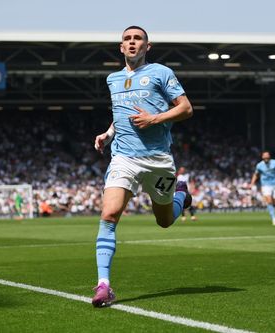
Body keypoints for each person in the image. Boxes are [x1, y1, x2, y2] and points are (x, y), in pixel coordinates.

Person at [91, 26, 193, 307]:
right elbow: (120, 116)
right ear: (121, 47)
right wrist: (108, 134)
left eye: (138, 39)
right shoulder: (112, 79)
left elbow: (186, 108)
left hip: (158, 159)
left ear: (148, 46)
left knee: (164, 221)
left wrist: (155, 119)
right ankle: (103, 285)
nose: (132, 43)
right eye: (127, 39)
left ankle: (181, 196)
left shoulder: (161, 73)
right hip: (123, 158)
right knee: (109, 215)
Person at [249, 151, 275, 226]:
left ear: (269, 157)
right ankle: (274, 218)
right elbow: (256, 174)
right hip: (265, 185)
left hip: (274, 184)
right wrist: (252, 183)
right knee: (269, 201)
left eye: (267, 156)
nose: (266, 158)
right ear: (262, 157)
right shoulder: (259, 165)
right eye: (264, 157)